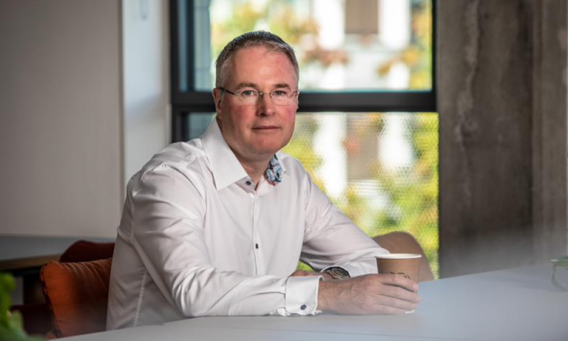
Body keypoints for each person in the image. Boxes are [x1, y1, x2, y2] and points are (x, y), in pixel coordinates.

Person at [107, 31, 421, 330]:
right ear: (219, 101)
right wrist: (323, 294)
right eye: (248, 92)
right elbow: (193, 291)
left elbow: (367, 258)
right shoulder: (170, 179)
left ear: (296, 101)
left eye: (280, 92)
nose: (267, 108)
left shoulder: (292, 178)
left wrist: (330, 279)